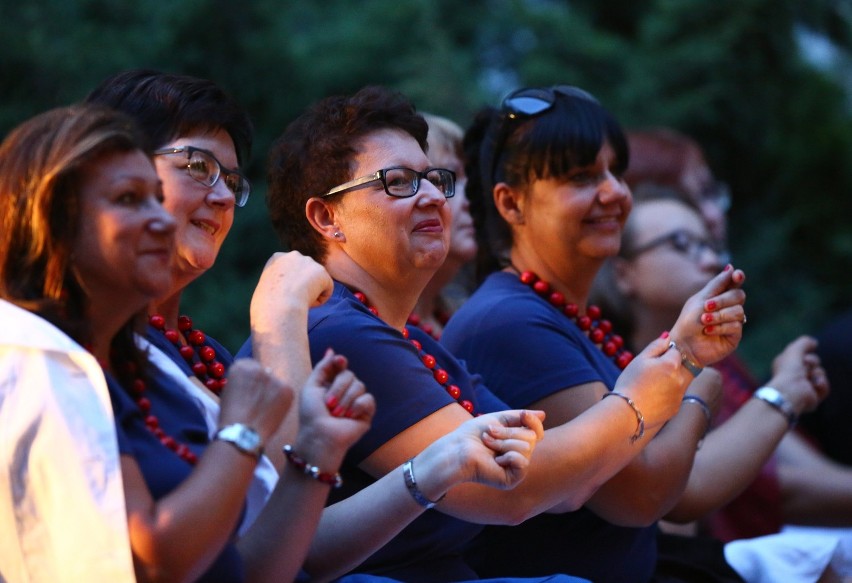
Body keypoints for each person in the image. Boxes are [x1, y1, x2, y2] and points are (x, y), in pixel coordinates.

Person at [251, 84, 746, 582]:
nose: (431, 197)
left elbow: (555, 481)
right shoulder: (340, 328)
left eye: (435, 179)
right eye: (398, 182)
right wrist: (666, 382)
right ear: (325, 217)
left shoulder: (408, 339)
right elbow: (515, 492)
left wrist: (671, 369)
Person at [83, 70, 550, 583]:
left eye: (232, 180)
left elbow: (279, 540)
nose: (221, 196)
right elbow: (255, 529)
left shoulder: (202, 351)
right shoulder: (83, 351)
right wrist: (278, 319)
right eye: (197, 166)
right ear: (108, 175)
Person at [440, 85, 749, 583]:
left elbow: (673, 489)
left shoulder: (565, 316)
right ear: (511, 203)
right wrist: (694, 379)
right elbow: (643, 495)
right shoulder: (509, 323)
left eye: (615, 171)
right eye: (581, 177)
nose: (614, 193)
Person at [408, 113, 477, 338]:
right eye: (447, 178)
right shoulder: (378, 321)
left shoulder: (457, 316)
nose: (474, 197)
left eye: (473, 179)